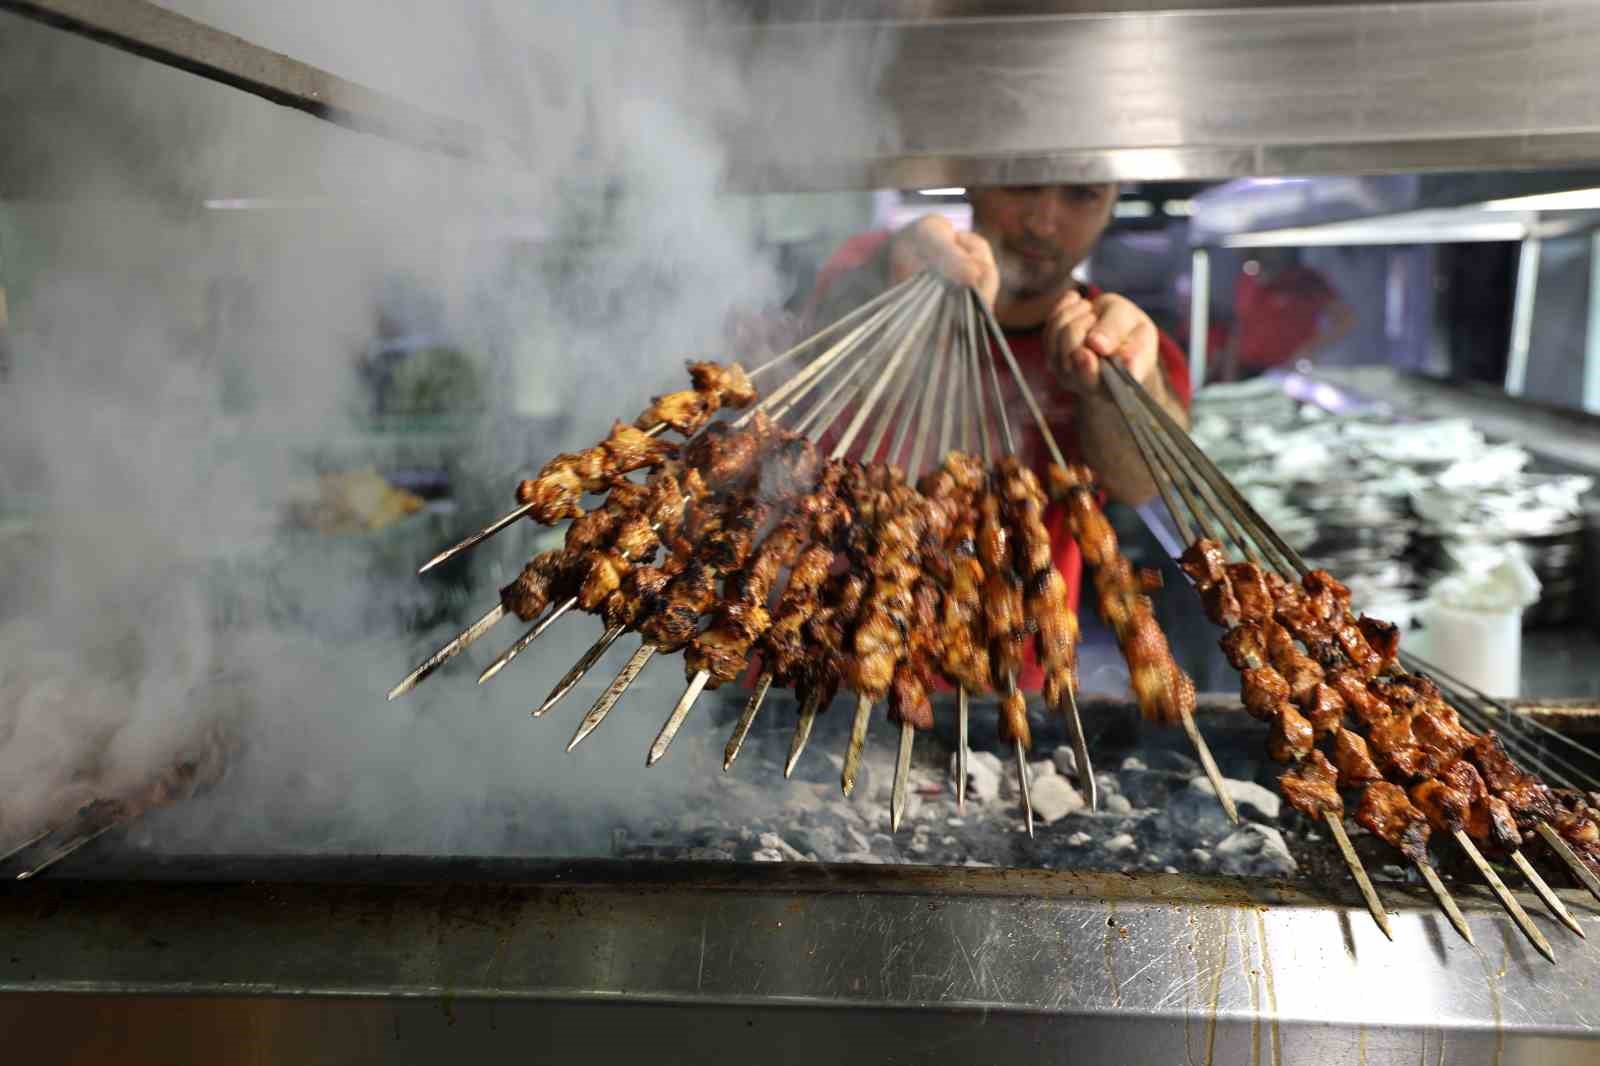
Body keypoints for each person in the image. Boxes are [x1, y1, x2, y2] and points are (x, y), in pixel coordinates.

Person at [808, 183, 1193, 689]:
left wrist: (1110, 386)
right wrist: (887, 281)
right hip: (818, 662)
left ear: (1111, 205)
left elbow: (1143, 483)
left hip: (1005, 679)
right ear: (976, 182)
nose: (1042, 221)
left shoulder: (1129, 341)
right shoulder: (878, 269)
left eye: (1081, 196)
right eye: (1021, 186)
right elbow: (808, 356)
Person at [1220, 248, 1356, 380]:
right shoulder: (1247, 279)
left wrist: (1309, 348)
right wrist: (1229, 376)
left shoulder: (1306, 281)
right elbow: (1239, 328)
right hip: (1248, 370)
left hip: (1286, 371)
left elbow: (1345, 319)